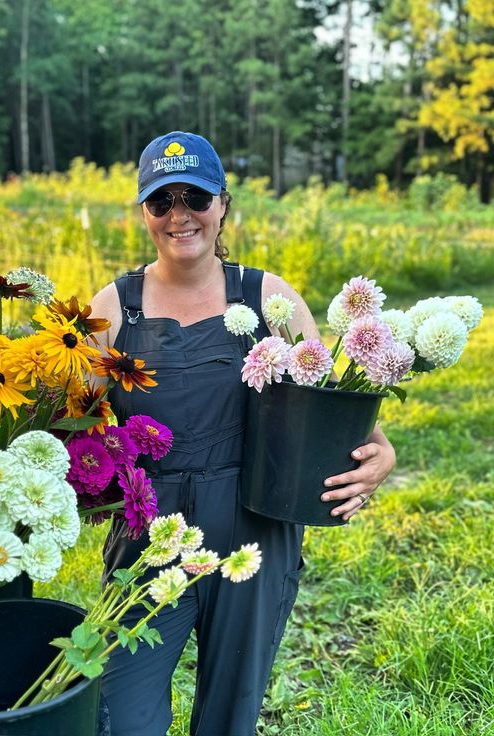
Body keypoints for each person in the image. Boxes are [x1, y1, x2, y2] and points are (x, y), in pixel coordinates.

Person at [88, 131, 396, 736]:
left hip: (254, 522)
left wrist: (378, 458)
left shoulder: (269, 298)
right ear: (144, 212)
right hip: (149, 535)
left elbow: (349, 421)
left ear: (223, 204)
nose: (180, 216)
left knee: (230, 717)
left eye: (195, 198)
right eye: (161, 202)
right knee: (118, 714)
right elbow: (73, 429)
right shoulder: (113, 307)